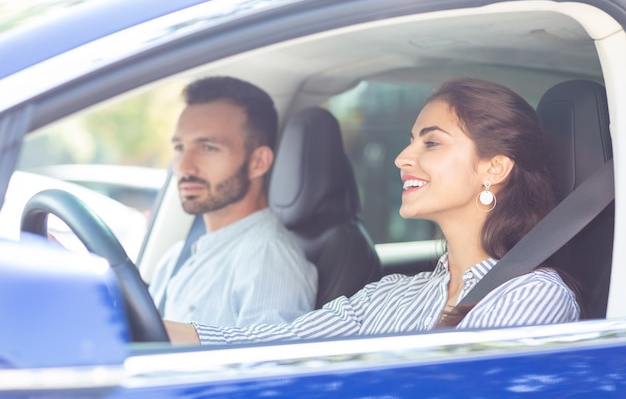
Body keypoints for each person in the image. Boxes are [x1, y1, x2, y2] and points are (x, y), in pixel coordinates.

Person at [165, 78, 580, 345]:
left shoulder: (534, 296)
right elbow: (279, 343)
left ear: (495, 167)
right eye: (410, 141)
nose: (402, 157)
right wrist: (151, 332)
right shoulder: (393, 293)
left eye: (430, 143)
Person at [149, 76, 317, 327]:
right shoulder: (177, 256)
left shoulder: (267, 260)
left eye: (208, 148)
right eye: (180, 148)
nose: (184, 167)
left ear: (258, 162)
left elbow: (269, 364)